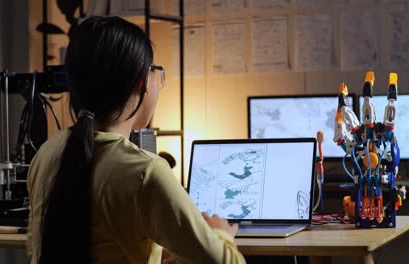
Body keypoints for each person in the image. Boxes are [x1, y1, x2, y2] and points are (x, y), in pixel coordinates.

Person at [26, 16, 245, 263]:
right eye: (155, 71)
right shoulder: (146, 172)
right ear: (141, 82)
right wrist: (221, 234)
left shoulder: (45, 154)